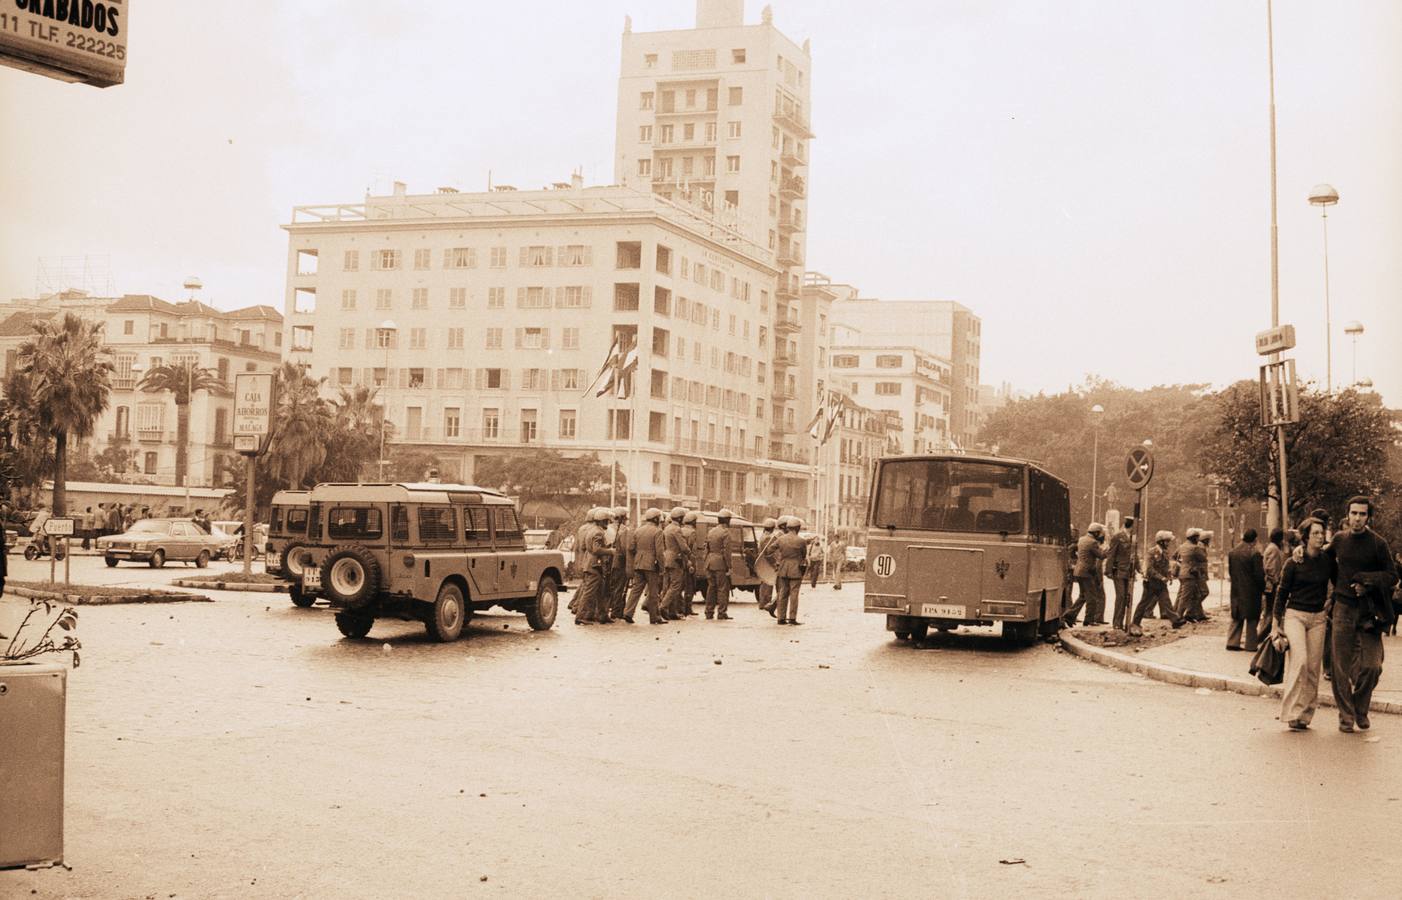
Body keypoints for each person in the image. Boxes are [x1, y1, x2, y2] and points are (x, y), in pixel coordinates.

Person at [1321, 497, 1397, 733]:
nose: (1357, 518)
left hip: (1368, 611)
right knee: (1340, 667)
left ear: (1368, 517)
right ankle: (1346, 717)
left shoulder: (1378, 544)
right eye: (1353, 513)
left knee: (1373, 666)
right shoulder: (1339, 539)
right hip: (1342, 607)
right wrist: (1302, 549)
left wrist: (1368, 582)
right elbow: (1323, 559)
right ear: (1347, 515)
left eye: (1362, 514)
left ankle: (1360, 708)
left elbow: (1392, 576)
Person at [1272, 518, 1336, 731]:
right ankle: (1290, 712)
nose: (1320, 537)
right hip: (1295, 616)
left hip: (1318, 618)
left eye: (1322, 533)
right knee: (1299, 661)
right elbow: (1281, 593)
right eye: (1315, 533)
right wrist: (1275, 625)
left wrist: (1331, 600)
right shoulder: (1293, 562)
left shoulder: (1327, 560)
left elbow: (1338, 582)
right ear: (1306, 536)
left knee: (1313, 668)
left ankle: (1305, 715)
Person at [1131, 531, 1185, 632]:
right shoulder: (1152, 552)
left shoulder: (1165, 552)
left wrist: (1169, 575)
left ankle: (1176, 621)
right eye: (1166, 541)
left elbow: (1165, 567)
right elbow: (1150, 569)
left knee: (1166, 602)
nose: (1168, 544)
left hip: (1161, 583)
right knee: (1144, 603)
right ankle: (1135, 622)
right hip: (1151, 583)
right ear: (1161, 542)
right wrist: (1161, 577)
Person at [1226, 528, 1267, 652]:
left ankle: (1232, 642)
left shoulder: (1233, 552)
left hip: (1236, 588)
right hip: (1251, 591)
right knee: (1252, 618)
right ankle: (1251, 645)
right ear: (1254, 540)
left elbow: (1231, 572)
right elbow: (1259, 575)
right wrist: (1263, 588)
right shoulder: (1254, 553)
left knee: (1237, 615)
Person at [624, 508, 666, 624]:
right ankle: (655, 617)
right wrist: (662, 567)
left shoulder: (638, 530)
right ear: (656, 518)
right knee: (653, 592)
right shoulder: (657, 531)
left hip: (638, 563)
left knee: (635, 590)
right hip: (651, 565)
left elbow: (631, 548)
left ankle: (628, 612)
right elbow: (659, 552)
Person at [1062, 523, 1106, 627]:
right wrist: (1108, 549)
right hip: (1087, 573)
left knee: (1082, 596)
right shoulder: (1093, 542)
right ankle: (1088, 620)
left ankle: (1070, 615)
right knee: (1092, 597)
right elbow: (1101, 555)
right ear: (1096, 532)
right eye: (1099, 533)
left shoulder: (1082, 539)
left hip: (1078, 571)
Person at [766, 516, 807, 625]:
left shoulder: (781, 539)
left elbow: (769, 550)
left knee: (782, 593)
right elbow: (804, 555)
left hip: (783, 568)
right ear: (797, 528)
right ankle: (792, 618)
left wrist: (778, 559)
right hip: (795, 569)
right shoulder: (801, 541)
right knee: (794, 594)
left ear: (788, 528)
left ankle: (781, 618)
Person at [572, 508, 610, 625]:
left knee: (600, 591)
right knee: (589, 592)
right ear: (602, 521)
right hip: (595, 564)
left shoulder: (591, 530)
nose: (607, 524)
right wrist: (610, 551)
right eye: (606, 521)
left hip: (591, 563)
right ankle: (580, 616)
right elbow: (596, 549)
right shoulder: (598, 532)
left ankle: (602, 615)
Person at [1105, 517, 1138, 630]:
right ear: (1132, 525)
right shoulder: (1118, 537)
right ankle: (1117, 623)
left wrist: (1139, 569)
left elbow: (1134, 555)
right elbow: (1111, 554)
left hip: (1129, 572)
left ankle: (1124, 623)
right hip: (1119, 571)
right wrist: (1108, 570)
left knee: (1126, 598)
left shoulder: (1133, 537)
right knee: (1121, 597)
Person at [1173, 528, 1210, 622]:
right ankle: (1178, 616)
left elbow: (1174, 556)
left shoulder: (1182, 546)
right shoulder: (1195, 548)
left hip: (1182, 573)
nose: (1198, 539)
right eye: (1197, 537)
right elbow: (1203, 558)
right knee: (1185, 597)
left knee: (1187, 595)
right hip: (1190, 574)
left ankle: (1193, 614)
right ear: (1194, 538)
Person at [705, 508, 735, 620]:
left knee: (711, 588)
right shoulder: (726, 533)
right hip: (720, 563)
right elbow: (727, 552)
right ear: (727, 521)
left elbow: (706, 548)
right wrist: (729, 567)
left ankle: (709, 611)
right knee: (722, 589)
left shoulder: (711, 531)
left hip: (710, 561)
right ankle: (722, 612)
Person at [662, 506, 691, 619]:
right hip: (676, 559)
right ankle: (664, 606)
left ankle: (672, 611)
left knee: (667, 585)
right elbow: (683, 547)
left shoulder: (667, 528)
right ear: (680, 518)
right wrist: (689, 554)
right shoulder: (677, 529)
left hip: (667, 557)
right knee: (676, 586)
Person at [1260, 528, 1285, 641]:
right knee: (1270, 611)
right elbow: (1270, 568)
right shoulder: (1273, 549)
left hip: (1271, 584)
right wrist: (1276, 582)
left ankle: (1263, 635)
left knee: (1269, 611)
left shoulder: (1272, 548)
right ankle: (1262, 636)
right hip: (1272, 586)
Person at [608, 507, 632, 621]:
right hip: (620, 562)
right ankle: (616, 610)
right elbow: (625, 549)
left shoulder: (608, 528)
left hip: (608, 562)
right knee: (619, 588)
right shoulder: (624, 530)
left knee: (609, 586)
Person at [755, 517, 778, 616]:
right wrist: (774, 563)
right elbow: (769, 553)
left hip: (762, 561)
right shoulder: (769, 538)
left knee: (764, 582)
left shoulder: (762, 536)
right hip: (767, 562)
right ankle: (765, 603)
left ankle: (762, 602)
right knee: (768, 582)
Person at [687, 511, 708, 613]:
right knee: (690, 585)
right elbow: (692, 548)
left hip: (683, 561)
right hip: (690, 561)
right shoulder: (692, 532)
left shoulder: (681, 530)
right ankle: (688, 608)